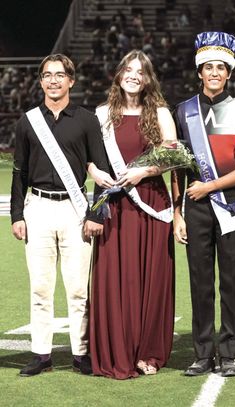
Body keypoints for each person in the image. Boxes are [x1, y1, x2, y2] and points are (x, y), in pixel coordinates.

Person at [10, 54, 113, 377]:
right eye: (47, 75)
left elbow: (101, 170)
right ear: (41, 82)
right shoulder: (27, 122)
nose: (53, 80)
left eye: (59, 75)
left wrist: (96, 214)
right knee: (40, 287)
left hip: (75, 209)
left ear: (71, 80)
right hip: (37, 208)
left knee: (78, 288)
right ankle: (41, 354)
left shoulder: (86, 120)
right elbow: (19, 172)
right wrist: (17, 214)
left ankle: (81, 353)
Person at [89, 50, 176, 379]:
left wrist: (145, 172)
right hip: (116, 205)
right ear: (119, 74)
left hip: (151, 202)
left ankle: (148, 352)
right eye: (128, 69)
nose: (134, 75)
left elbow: (173, 157)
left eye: (141, 71)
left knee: (151, 277)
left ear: (148, 78)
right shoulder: (102, 114)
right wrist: (94, 171)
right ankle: (118, 349)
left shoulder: (161, 113)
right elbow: (89, 157)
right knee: (117, 278)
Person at [172, 32, 235, 377]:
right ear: (200, 72)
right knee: (200, 280)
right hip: (195, 206)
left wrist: (213, 187)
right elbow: (177, 166)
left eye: (221, 68)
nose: (215, 73)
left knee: (232, 280)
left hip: (232, 204)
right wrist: (177, 213)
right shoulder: (183, 110)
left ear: (229, 73)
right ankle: (203, 353)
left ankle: (230, 352)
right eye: (209, 67)